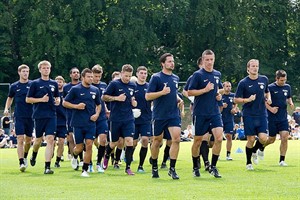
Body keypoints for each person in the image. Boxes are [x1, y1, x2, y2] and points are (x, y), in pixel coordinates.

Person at [146, 53, 183, 179]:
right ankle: (154, 167)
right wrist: (161, 92)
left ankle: (172, 169)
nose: (172, 63)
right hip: (159, 115)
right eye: (169, 61)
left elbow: (173, 93)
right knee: (157, 141)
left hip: (173, 114)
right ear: (163, 63)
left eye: (173, 61)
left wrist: (177, 99)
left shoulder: (175, 78)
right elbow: (148, 96)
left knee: (176, 139)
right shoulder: (156, 77)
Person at [188, 50, 224, 178]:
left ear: (214, 59)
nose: (209, 62)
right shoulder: (197, 75)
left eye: (211, 59)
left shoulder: (217, 74)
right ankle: (195, 167)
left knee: (219, 138)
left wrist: (219, 95)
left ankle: (213, 167)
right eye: (207, 60)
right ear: (203, 60)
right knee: (197, 141)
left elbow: (218, 89)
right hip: (200, 113)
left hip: (214, 112)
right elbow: (190, 92)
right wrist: (204, 90)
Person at [234, 59, 271, 170]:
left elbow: (267, 91)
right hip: (249, 114)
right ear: (248, 69)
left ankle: (255, 150)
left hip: (261, 114)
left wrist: (268, 98)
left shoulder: (264, 79)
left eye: (257, 66)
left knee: (263, 138)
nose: (255, 68)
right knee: (250, 139)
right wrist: (247, 99)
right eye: (253, 66)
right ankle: (248, 162)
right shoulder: (243, 83)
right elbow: (236, 99)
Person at [63, 68, 101, 177]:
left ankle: (85, 169)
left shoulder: (95, 90)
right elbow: (65, 103)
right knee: (79, 147)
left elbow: (99, 105)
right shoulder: (75, 89)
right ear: (82, 78)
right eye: (88, 77)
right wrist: (76, 106)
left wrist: (97, 114)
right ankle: (74, 156)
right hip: (78, 123)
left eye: (91, 76)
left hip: (91, 123)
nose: (91, 78)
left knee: (89, 145)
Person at [102, 64, 137, 175]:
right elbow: (104, 97)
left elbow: (132, 98)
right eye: (125, 76)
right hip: (115, 118)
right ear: (121, 74)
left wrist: (133, 102)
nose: (127, 78)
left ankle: (128, 167)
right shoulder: (114, 84)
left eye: (129, 76)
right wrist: (117, 98)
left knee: (129, 141)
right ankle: (107, 155)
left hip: (128, 118)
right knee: (114, 143)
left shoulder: (132, 85)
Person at [26, 60, 60, 174]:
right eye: (44, 68)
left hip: (51, 115)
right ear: (40, 70)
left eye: (48, 68)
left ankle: (47, 167)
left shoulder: (54, 83)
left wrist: (57, 101)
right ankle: (34, 154)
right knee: (38, 141)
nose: (46, 70)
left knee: (50, 139)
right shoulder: (35, 83)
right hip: (39, 115)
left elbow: (57, 97)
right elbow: (28, 99)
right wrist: (41, 100)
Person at [3, 64, 34, 172]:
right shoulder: (14, 86)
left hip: (31, 116)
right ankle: (21, 162)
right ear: (19, 72)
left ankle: (25, 156)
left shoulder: (32, 84)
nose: (25, 73)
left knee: (29, 140)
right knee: (20, 138)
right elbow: (9, 98)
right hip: (19, 115)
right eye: (23, 71)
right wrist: (7, 108)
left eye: (27, 71)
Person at [263, 70, 294, 166]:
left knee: (284, 137)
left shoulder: (287, 87)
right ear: (276, 79)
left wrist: (291, 102)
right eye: (281, 80)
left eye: (285, 80)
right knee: (271, 139)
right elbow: (263, 100)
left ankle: (282, 160)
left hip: (283, 117)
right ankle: (261, 147)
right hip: (272, 117)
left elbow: (288, 97)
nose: (283, 82)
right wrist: (270, 108)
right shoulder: (270, 88)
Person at [133, 66, 152, 173]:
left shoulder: (149, 86)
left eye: (145, 73)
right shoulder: (132, 86)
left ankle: (140, 166)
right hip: (134, 119)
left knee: (145, 140)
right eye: (141, 73)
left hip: (146, 118)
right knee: (133, 143)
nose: (143, 75)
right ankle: (128, 161)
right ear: (137, 74)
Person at [91, 64, 109, 173]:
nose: (97, 79)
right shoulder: (87, 85)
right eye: (95, 76)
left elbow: (103, 101)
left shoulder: (103, 86)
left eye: (99, 76)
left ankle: (98, 163)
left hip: (102, 117)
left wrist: (106, 109)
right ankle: (87, 163)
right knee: (89, 141)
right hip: (90, 117)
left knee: (103, 139)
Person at [220, 81, 238, 160]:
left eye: (229, 86)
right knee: (219, 138)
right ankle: (217, 154)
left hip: (229, 119)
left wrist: (234, 109)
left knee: (229, 137)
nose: (228, 88)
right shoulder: (220, 96)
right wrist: (221, 106)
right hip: (220, 118)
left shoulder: (233, 95)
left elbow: (235, 103)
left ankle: (228, 155)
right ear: (223, 87)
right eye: (227, 86)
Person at [54, 76, 67, 168]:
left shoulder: (66, 93)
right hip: (53, 119)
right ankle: (50, 154)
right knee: (52, 141)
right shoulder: (52, 93)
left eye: (60, 82)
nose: (59, 83)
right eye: (57, 82)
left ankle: (58, 160)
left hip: (63, 120)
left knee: (62, 141)